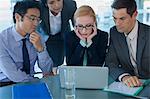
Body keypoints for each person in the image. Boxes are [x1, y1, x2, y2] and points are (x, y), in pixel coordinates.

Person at [0, 0, 53, 86]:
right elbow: (13, 74)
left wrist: (40, 50)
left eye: (38, 19)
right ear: (17, 17)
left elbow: (47, 70)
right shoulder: (2, 40)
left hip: (30, 82)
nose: (36, 23)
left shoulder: (37, 37)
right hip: (5, 84)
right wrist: (35, 81)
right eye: (32, 18)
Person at [105, 0, 150, 87]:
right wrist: (124, 76)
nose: (117, 23)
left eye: (122, 18)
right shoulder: (114, 32)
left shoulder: (148, 34)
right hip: (129, 86)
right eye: (114, 18)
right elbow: (111, 63)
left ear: (135, 15)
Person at [38, 0, 77, 68]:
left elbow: (77, 25)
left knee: (60, 61)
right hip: (47, 36)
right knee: (47, 62)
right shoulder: (40, 7)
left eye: (59, 0)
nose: (57, 5)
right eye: (51, 2)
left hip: (62, 35)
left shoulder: (70, 5)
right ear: (46, 4)